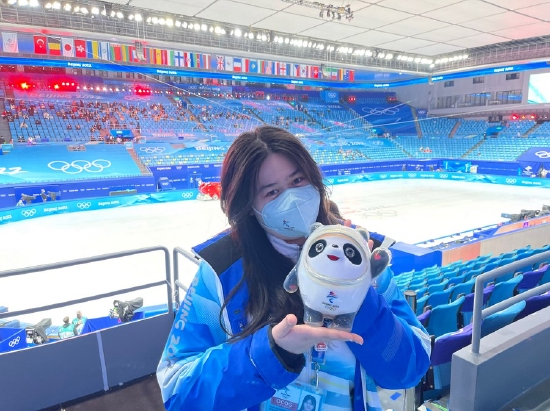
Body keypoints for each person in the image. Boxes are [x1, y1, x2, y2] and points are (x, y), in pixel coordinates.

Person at [157, 126, 430, 411]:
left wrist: (358, 300)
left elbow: (409, 370)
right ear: (249, 206)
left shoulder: (358, 255)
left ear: (314, 180)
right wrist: (271, 352)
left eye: (297, 180)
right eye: (272, 192)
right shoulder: (222, 271)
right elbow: (177, 392)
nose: (291, 198)